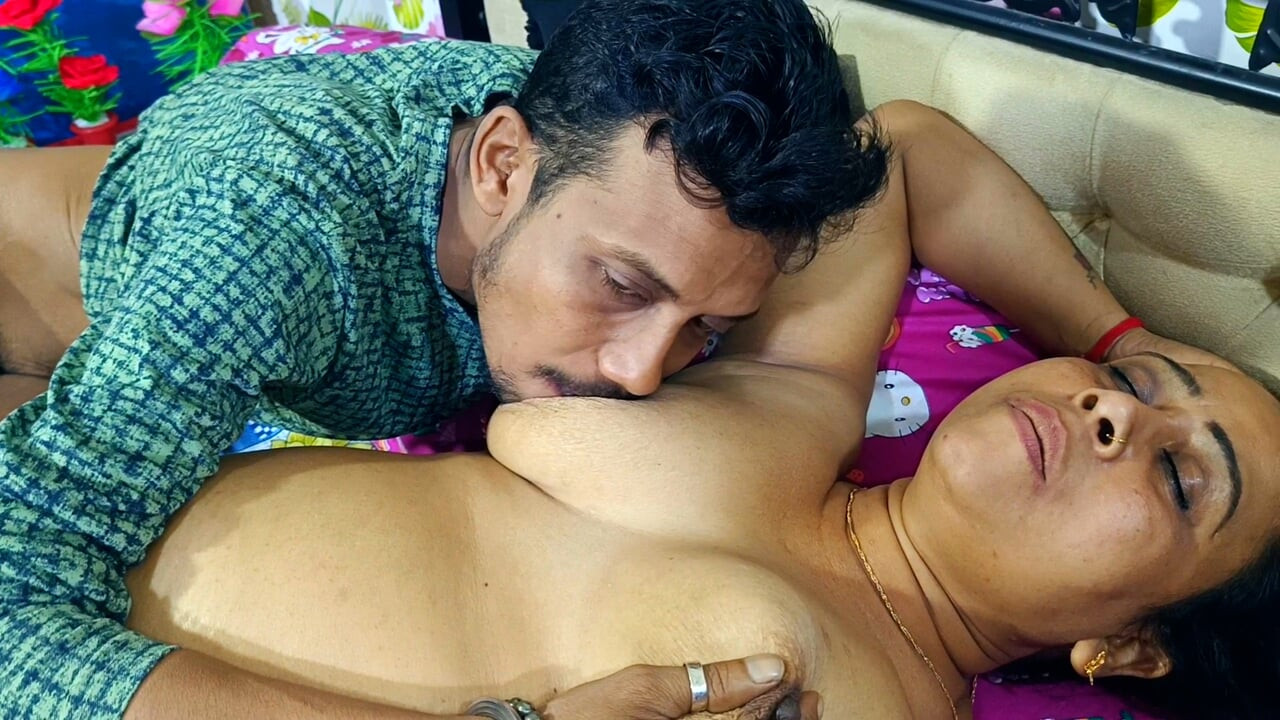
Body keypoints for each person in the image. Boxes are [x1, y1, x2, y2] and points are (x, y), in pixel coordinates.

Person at [116, 100, 1280, 720]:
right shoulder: (791, 417)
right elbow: (892, 149)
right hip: (77, 533)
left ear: (1130, 649)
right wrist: (1127, 336)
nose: (1112, 415)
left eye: (1181, 478)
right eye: (1134, 391)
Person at [0, 1, 887, 717]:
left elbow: (913, 137)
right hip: (40, 306)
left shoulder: (598, 145)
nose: (641, 373)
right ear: (499, 165)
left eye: (707, 327)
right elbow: (12, 607)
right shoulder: (274, 249)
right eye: (622, 286)